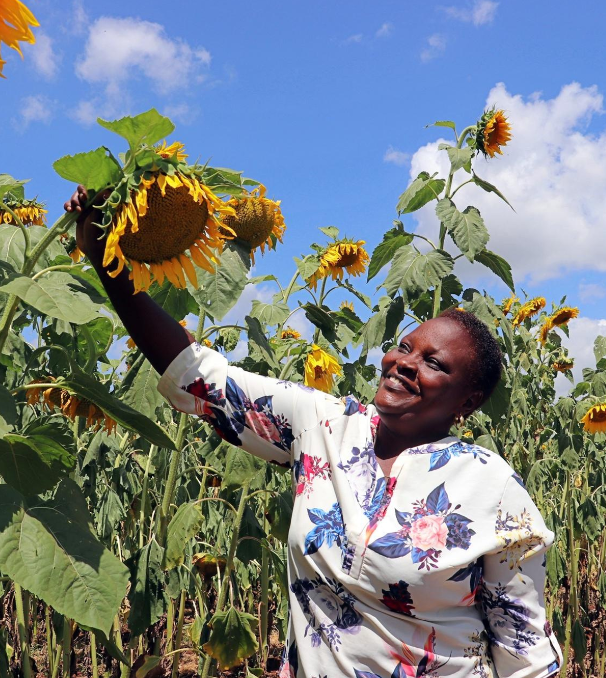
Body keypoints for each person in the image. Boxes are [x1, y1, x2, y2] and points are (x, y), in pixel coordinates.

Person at [65, 186, 563, 678]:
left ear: (468, 402)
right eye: (404, 347)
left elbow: (524, 653)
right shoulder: (326, 426)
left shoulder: (491, 488)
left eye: (432, 363)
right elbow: (201, 376)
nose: (403, 364)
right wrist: (105, 256)